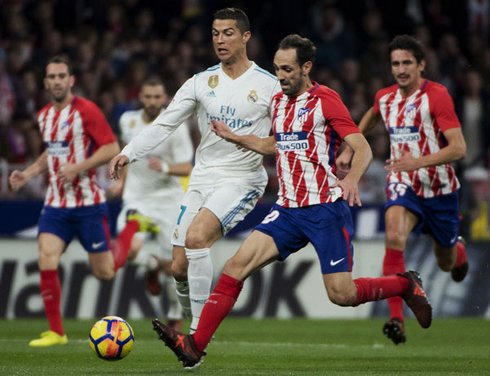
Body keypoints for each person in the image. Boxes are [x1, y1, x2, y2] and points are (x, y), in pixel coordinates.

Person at [150, 34, 432, 370]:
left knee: (341, 295)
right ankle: (195, 346)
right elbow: (278, 143)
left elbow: (362, 146)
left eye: (287, 69)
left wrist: (352, 179)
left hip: (325, 210)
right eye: (277, 69)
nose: (280, 76)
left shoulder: (326, 100)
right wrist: (237, 137)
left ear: (306, 67)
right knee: (235, 267)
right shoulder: (279, 102)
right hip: (286, 210)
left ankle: (405, 284)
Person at [109, 8, 280, 333]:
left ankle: (197, 336)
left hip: (241, 179)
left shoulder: (269, 86)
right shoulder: (201, 82)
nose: (220, 40)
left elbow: (283, 139)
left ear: (246, 37)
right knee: (177, 268)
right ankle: (191, 321)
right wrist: (128, 152)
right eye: (215, 33)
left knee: (196, 237)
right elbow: (164, 124)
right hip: (203, 177)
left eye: (228, 33)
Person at [9, 55, 157, 347]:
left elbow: (112, 147)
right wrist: (27, 174)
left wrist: (78, 167)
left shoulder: (86, 110)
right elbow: (50, 153)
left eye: (62, 76)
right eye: (51, 77)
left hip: (88, 204)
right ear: (45, 82)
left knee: (104, 272)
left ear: (71, 80)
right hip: (55, 205)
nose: (57, 81)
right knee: (46, 258)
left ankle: (131, 228)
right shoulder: (44, 116)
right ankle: (56, 332)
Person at [336, 35, 468, 345]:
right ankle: (396, 318)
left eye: (407, 62)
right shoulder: (386, 98)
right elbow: (371, 116)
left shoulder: (437, 96)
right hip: (403, 183)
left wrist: (418, 162)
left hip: (440, 189)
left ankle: (458, 250)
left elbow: (459, 148)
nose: (401, 69)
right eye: (395, 63)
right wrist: (347, 148)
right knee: (394, 238)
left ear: (421, 64)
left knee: (445, 262)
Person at [109, 77, 194, 330]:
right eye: (148, 97)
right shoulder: (128, 121)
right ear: (141, 98)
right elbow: (128, 154)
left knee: (173, 268)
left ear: (165, 98)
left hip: (169, 201)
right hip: (137, 199)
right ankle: (150, 263)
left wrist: (165, 167)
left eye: (157, 97)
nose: (153, 102)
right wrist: (121, 181)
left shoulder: (176, 126)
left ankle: (174, 316)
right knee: (131, 250)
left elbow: (187, 167)